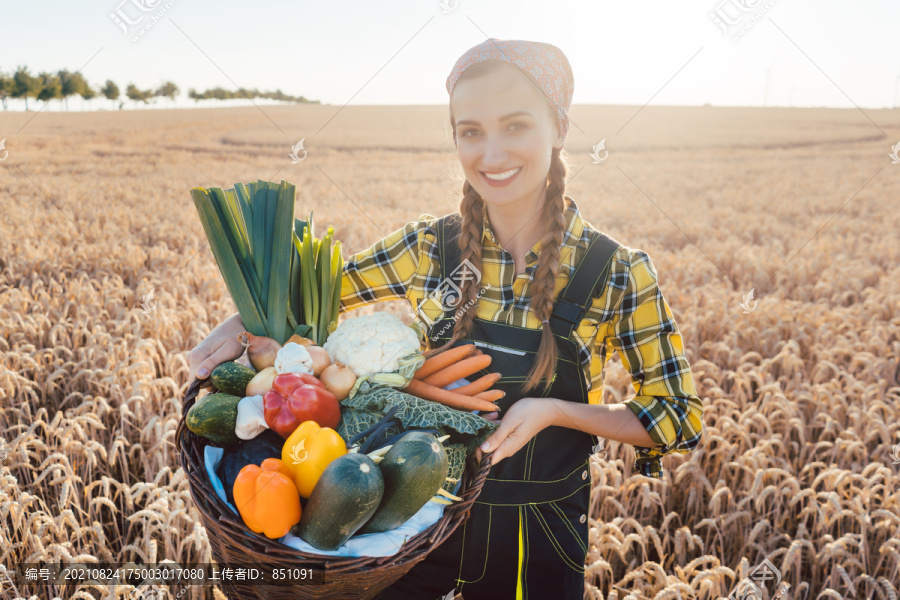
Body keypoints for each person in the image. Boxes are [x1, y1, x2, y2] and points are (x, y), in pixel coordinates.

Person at [187, 38, 703, 600]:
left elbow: (676, 417)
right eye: (471, 131)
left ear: (560, 127)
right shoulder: (427, 248)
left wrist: (554, 411)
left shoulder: (615, 272)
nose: (492, 153)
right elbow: (312, 299)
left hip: (537, 541)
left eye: (515, 125)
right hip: (410, 527)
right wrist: (245, 318)